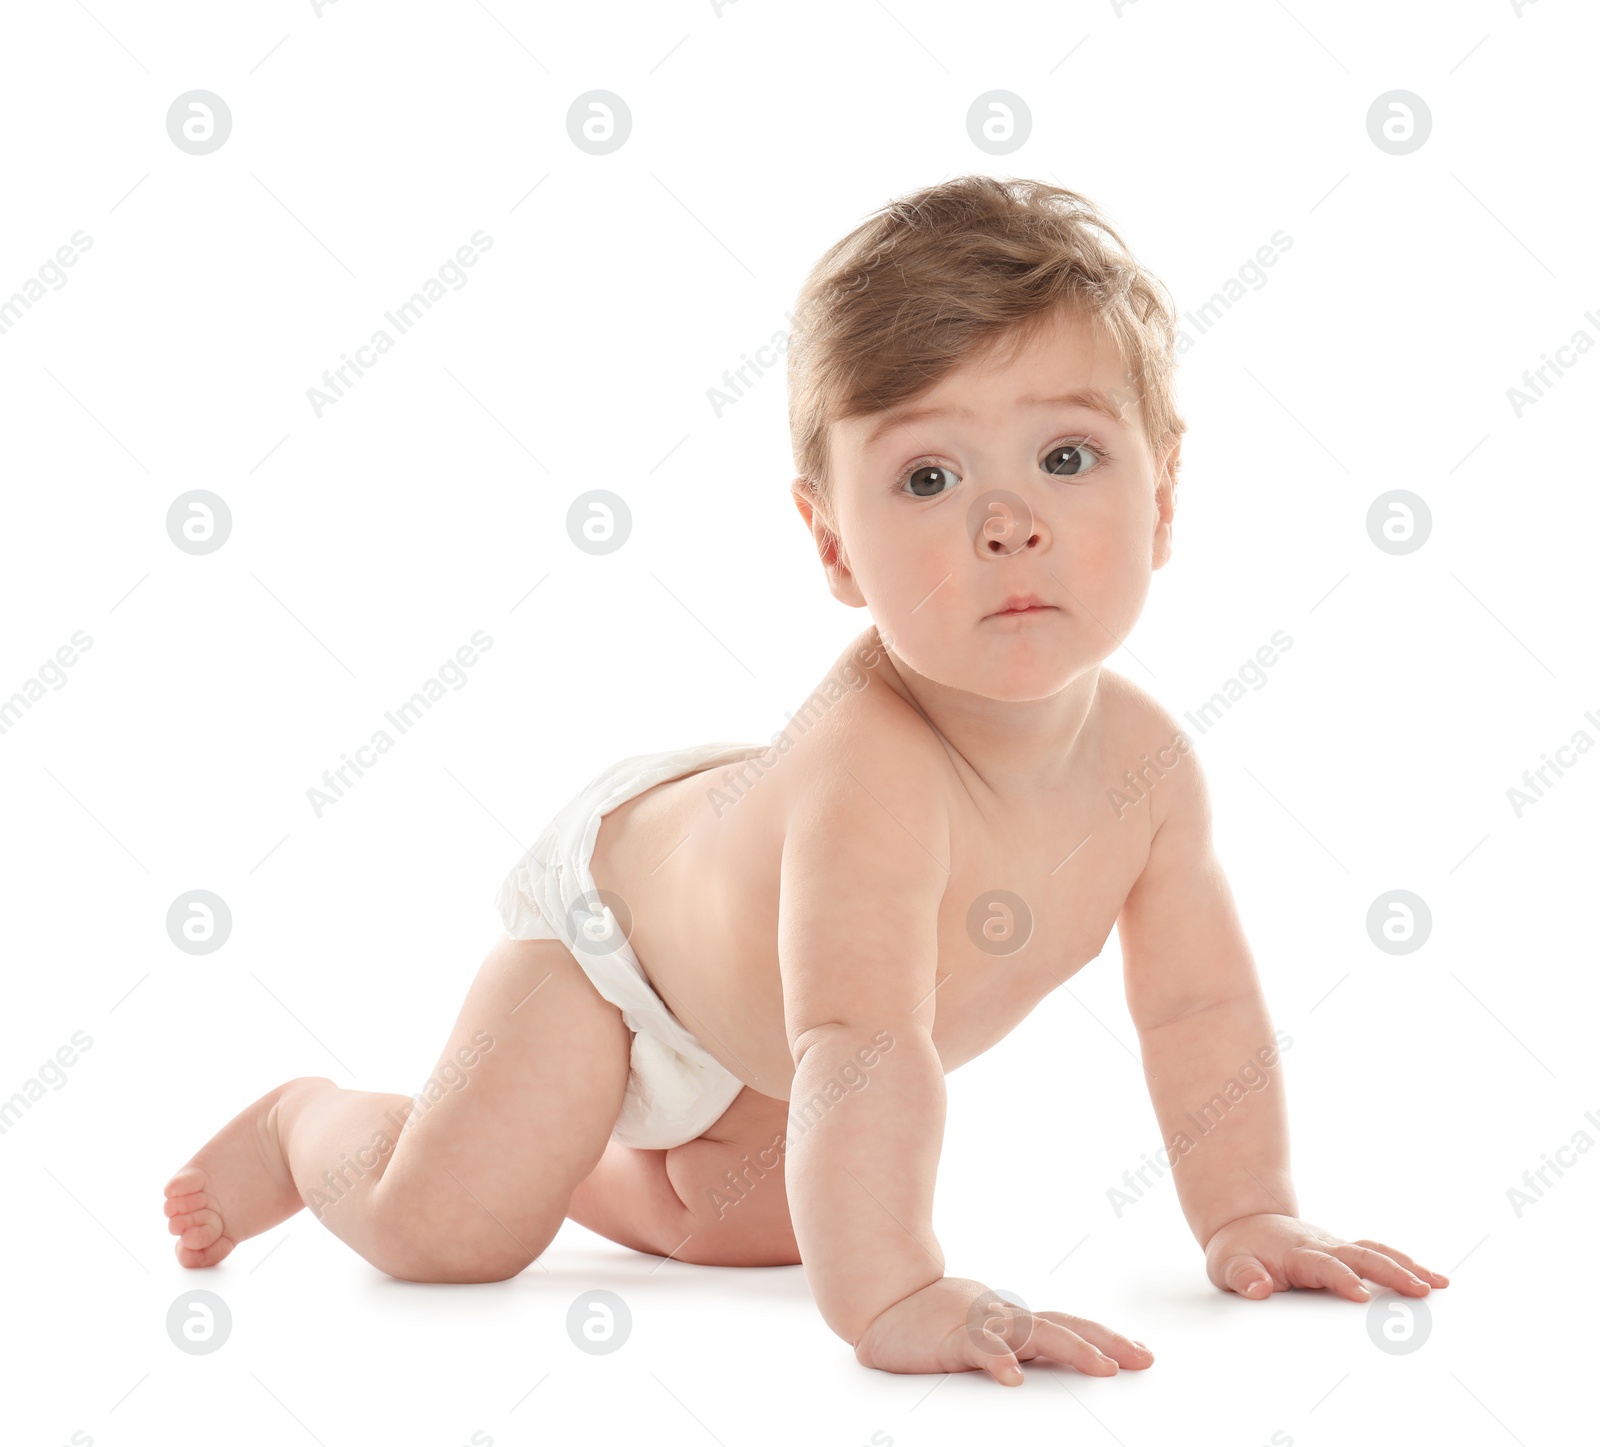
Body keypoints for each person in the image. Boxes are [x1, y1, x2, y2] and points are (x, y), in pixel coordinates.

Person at [164, 175, 1446, 1386]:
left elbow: (1196, 1009)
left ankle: (579, 1149)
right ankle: (309, 1123)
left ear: (1164, 495)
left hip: (770, 1018)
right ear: (832, 540)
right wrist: (893, 1295)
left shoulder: (1149, 767)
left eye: (1065, 457)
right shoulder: (872, 777)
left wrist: (1249, 1210)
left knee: (749, 1227)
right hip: (624, 956)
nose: (1008, 520)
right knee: (450, 1227)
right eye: (929, 477)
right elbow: (864, 1040)